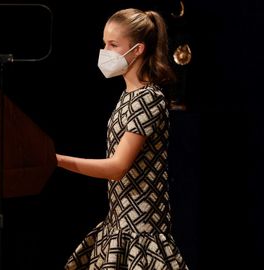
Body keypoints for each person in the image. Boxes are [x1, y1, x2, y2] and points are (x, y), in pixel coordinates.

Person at [57, 8, 188, 270]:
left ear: (138, 50)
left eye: (113, 45)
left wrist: (56, 160)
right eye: (104, 43)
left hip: (141, 230)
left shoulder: (149, 98)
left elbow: (117, 168)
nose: (105, 51)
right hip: (120, 223)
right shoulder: (128, 96)